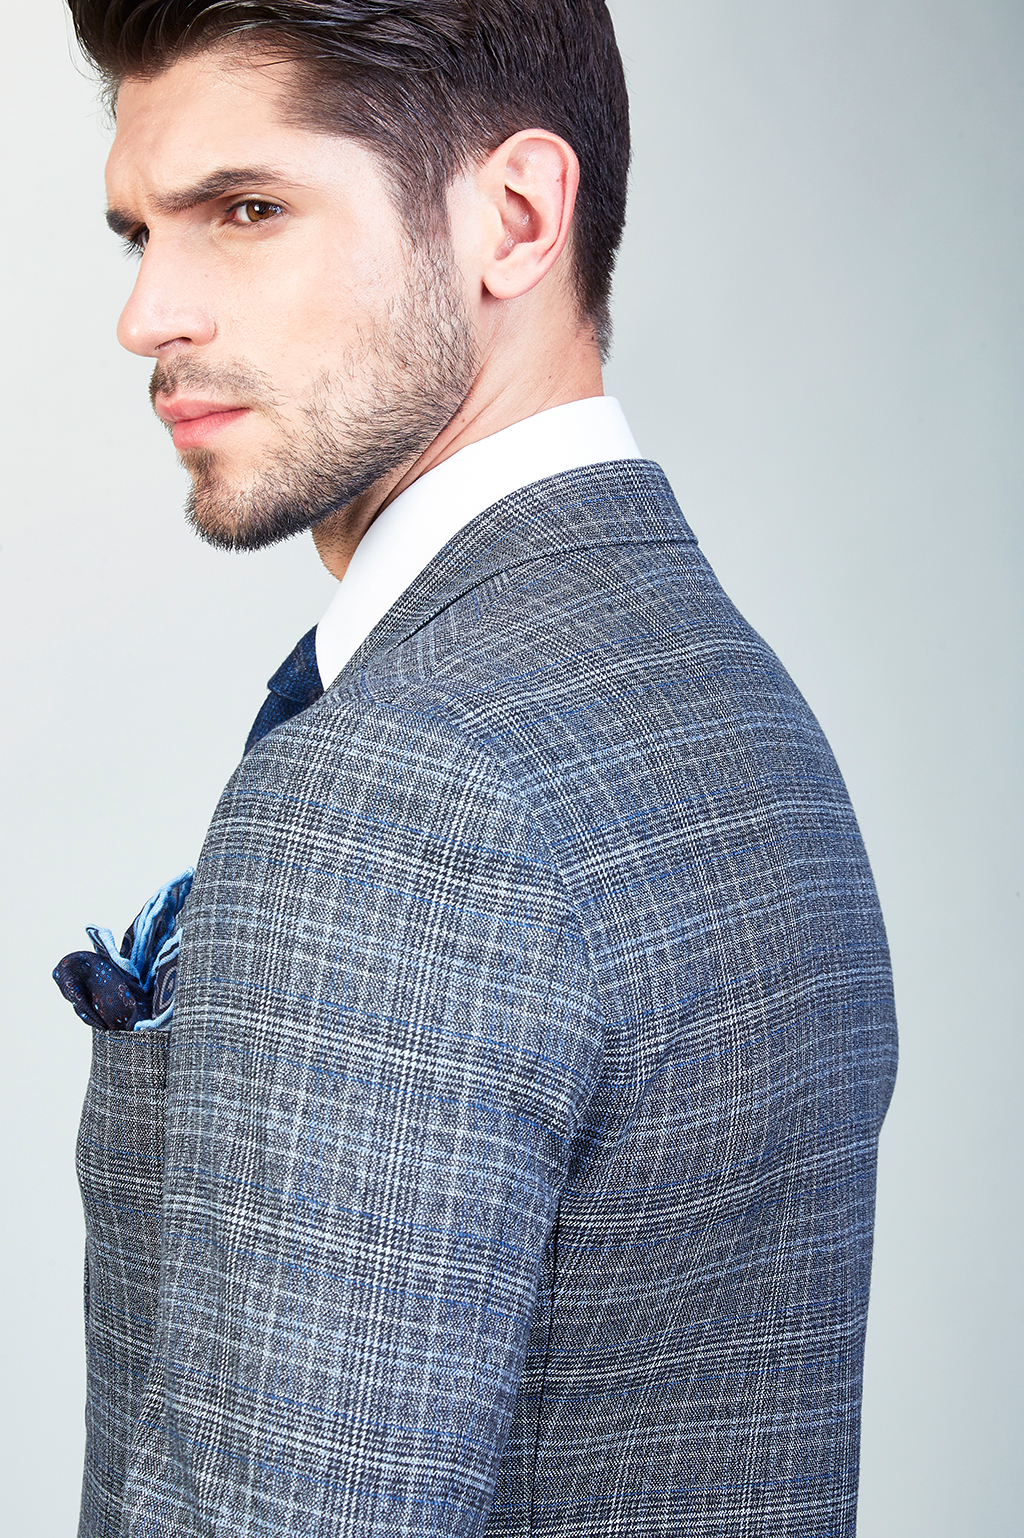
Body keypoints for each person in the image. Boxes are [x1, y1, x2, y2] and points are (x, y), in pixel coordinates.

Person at [56, 3, 898, 1535]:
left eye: (245, 210)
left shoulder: (403, 789)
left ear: (514, 218)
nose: (148, 313)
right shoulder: (741, 709)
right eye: (139, 232)